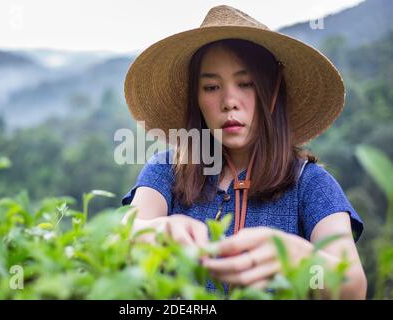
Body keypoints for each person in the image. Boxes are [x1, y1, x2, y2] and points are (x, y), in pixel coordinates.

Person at [121, 5, 367, 299]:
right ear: (196, 98)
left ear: (272, 92)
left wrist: (297, 257)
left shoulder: (310, 184)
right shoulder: (167, 169)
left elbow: (352, 285)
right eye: (211, 87)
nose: (229, 102)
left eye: (246, 84)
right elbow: (123, 236)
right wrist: (158, 231)